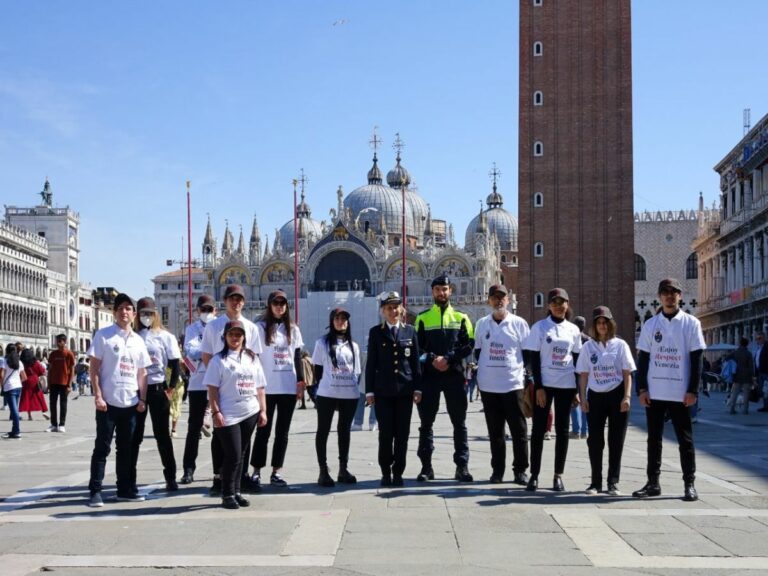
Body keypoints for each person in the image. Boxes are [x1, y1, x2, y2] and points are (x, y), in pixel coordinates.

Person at [633, 278, 705, 502]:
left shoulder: (691, 323)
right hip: (655, 392)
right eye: (665, 292)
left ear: (680, 296)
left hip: (680, 392)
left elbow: (697, 359)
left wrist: (693, 390)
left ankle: (689, 483)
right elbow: (643, 358)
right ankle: (653, 483)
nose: (669, 296)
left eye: (673, 292)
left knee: (685, 440)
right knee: (653, 439)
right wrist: (641, 389)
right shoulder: (650, 325)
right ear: (659, 296)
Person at [86, 293, 151, 507]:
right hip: (108, 402)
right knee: (102, 447)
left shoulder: (138, 341)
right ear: (115, 312)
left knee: (126, 448)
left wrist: (142, 399)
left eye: (128, 308)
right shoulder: (104, 336)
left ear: (134, 314)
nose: (124, 312)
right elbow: (94, 368)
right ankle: (95, 490)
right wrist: (97, 394)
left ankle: (125, 488)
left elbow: (142, 373)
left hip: (130, 402)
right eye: (120, 308)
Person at [200, 284, 263, 496]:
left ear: (243, 302)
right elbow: (207, 355)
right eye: (231, 299)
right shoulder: (213, 326)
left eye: (239, 299)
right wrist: (217, 379)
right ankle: (219, 478)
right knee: (220, 436)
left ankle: (239, 481)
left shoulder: (251, 327)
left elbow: (254, 358)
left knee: (242, 442)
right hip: (221, 386)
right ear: (224, 301)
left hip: (244, 392)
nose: (236, 302)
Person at [415, 274, 475, 482]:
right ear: (432, 292)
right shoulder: (422, 318)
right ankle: (426, 467)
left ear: (451, 291)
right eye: (438, 289)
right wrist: (432, 358)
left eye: (445, 289)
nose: (442, 292)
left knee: (459, 423)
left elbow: (469, 345)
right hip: (429, 376)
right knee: (426, 423)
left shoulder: (462, 318)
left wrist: (448, 358)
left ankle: (462, 467)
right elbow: (417, 348)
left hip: (454, 375)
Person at [523, 287, 582, 492]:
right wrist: (538, 386)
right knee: (538, 430)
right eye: (554, 302)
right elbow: (534, 360)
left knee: (563, 431)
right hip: (545, 384)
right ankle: (535, 475)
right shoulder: (539, 327)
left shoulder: (573, 330)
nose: (558, 306)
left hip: (566, 384)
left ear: (567, 305)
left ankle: (558, 475)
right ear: (549, 305)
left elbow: (576, 360)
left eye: (562, 302)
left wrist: (576, 389)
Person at [205, 320, 267, 509]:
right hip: (228, 413)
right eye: (231, 334)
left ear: (244, 337)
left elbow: (260, 387)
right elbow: (212, 389)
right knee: (232, 454)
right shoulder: (218, 360)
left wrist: (263, 410)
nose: (235, 338)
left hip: (250, 411)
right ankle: (227, 493)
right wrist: (216, 411)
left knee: (241, 454)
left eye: (238, 335)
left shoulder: (252, 358)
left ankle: (237, 491)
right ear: (225, 337)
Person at [246, 289, 305, 490]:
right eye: (276, 303)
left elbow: (297, 356)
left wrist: (301, 381)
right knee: (263, 430)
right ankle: (256, 470)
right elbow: (252, 357)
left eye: (283, 303)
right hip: (267, 386)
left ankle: (277, 470)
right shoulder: (260, 328)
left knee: (283, 432)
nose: (280, 306)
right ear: (269, 305)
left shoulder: (293, 329)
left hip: (287, 385)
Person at [473, 285, 530, 485]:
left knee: (519, 430)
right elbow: (478, 351)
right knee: (495, 432)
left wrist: (528, 378)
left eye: (502, 298)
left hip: (512, 384)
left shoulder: (520, 324)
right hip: (489, 386)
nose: (499, 301)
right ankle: (497, 471)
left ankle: (520, 470)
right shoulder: (482, 324)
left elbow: (528, 353)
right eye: (495, 298)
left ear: (509, 300)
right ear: (488, 301)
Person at [576, 306, 635, 495]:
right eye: (599, 322)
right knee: (594, 441)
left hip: (616, 394)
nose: (602, 326)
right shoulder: (587, 347)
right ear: (594, 325)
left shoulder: (621, 345)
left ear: (610, 324)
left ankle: (612, 482)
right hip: (595, 395)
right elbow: (583, 375)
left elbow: (627, 374)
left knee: (616, 440)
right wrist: (583, 397)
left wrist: (626, 397)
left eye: (605, 322)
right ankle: (595, 482)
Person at [365, 291, 422, 486]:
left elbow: (415, 363)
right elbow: (371, 363)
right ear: (383, 311)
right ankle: (385, 472)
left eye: (396, 307)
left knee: (402, 435)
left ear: (401, 309)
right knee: (385, 434)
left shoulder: (410, 331)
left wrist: (418, 388)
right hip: (383, 392)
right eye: (389, 308)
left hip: (405, 391)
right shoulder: (376, 332)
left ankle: (398, 472)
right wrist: (370, 391)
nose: (393, 311)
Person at [133, 297, 181, 491]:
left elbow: (175, 363)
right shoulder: (133, 336)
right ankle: (130, 477)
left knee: (162, 435)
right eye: (143, 313)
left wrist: (170, 387)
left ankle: (170, 476)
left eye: (149, 314)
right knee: (134, 436)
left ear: (155, 315)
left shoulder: (165, 336)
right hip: (136, 390)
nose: (146, 317)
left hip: (158, 387)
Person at [312, 308, 361, 487]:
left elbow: (357, 371)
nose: (341, 322)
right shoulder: (322, 343)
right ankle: (323, 470)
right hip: (328, 392)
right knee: (323, 430)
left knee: (344, 431)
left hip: (349, 393)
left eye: (344, 319)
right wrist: (327, 385)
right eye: (337, 318)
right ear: (332, 321)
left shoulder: (353, 345)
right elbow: (317, 370)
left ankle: (343, 468)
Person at [179, 294, 217, 485]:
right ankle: (188, 469)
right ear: (197, 311)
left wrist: (203, 351)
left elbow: (222, 349)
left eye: (209, 310)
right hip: (198, 383)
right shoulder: (192, 328)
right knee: (193, 427)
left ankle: (219, 470)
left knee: (221, 426)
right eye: (203, 310)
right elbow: (190, 351)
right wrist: (210, 352)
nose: (206, 313)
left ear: (215, 311)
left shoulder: (220, 325)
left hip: (219, 382)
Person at [46, 334, 76, 433]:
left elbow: (72, 370)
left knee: (63, 404)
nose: (58, 343)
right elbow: (50, 369)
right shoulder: (53, 354)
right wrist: (48, 383)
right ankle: (53, 424)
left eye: (60, 341)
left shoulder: (69, 354)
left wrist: (70, 384)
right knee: (52, 404)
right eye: (57, 341)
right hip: (54, 382)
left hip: (64, 382)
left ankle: (62, 424)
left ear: (65, 342)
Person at [569, 316, 589, 439]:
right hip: (586, 374)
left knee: (574, 401)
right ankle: (585, 431)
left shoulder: (571, 338)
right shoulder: (589, 340)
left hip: (573, 373)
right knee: (585, 401)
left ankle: (576, 431)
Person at [1, 344, 26, 439]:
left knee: (14, 410)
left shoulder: (4, 361)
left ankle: (16, 431)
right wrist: (17, 381)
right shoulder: (19, 362)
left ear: (6, 351)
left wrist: (2, 385)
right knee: (15, 409)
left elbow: (1, 375)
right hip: (18, 387)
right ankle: (14, 430)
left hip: (9, 387)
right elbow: (24, 377)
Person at [19, 347, 49, 421]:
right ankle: (44, 411)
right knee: (40, 396)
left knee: (27, 398)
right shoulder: (35, 363)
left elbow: (20, 373)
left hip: (26, 381)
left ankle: (29, 415)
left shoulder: (22, 363)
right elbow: (42, 371)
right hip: (35, 381)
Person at [728, 337, 755, 415]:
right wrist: (753, 376)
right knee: (746, 394)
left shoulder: (735, 352)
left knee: (735, 393)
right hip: (747, 376)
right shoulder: (748, 353)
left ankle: (732, 409)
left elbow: (726, 358)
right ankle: (745, 410)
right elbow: (751, 366)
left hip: (737, 375)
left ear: (740, 343)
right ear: (747, 344)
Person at [756, 332, 768, 412]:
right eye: (757, 338)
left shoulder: (767, 346)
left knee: (766, 389)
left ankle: (766, 406)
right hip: (760, 372)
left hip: (766, 372)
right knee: (763, 390)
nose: (758, 340)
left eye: (759, 338)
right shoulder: (759, 348)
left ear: (764, 338)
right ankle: (765, 406)